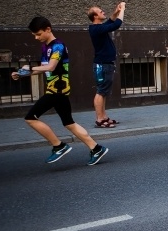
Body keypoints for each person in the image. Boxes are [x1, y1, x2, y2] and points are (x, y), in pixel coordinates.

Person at [12, 17, 108, 166]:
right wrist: (22, 73)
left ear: (48, 29)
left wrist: (29, 68)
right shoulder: (46, 46)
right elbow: (45, 69)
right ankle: (96, 149)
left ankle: (58, 146)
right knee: (69, 123)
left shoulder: (58, 46)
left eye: (38, 34)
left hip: (56, 91)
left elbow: (50, 67)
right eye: (35, 36)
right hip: (58, 90)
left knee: (30, 118)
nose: (37, 38)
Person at [87, 2, 125, 128]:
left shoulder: (100, 28)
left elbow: (111, 21)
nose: (103, 11)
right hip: (102, 65)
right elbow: (117, 24)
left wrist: (116, 11)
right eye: (100, 11)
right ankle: (99, 119)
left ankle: (104, 117)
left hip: (106, 64)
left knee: (103, 92)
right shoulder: (96, 29)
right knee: (100, 91)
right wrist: (123, 9)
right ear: (95, 16)